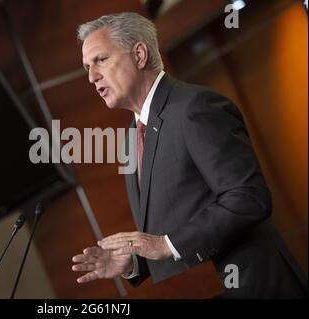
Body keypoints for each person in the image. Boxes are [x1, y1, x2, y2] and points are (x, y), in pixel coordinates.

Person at [71, 12, 307, 298]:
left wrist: (165, 245)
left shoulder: (195, 107)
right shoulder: (132, 137)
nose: (92, 77)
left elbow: (248, 197)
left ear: (139, 54)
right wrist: (134, 261)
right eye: (87, 67)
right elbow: (172, 229)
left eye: (100, 60)